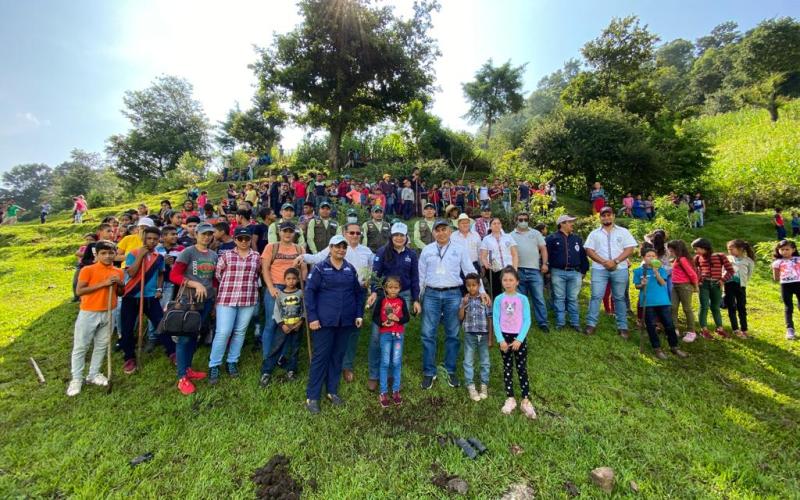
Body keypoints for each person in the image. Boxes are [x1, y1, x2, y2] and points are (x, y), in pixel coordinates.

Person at [418, 220, 489, 390]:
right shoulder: (427, 250)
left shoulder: (459, 249)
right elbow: (421, 276)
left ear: (450, 231)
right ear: (434, 233)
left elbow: (469, 271)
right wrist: (418, 298)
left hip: (452, 294)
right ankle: (429, 372)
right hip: (431, 294)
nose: (441, 233)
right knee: (428, 333)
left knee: (453, 333)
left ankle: (450, 370)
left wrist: (482, 291)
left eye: (444, 229)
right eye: (438, 230)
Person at [304, 235, 365, 414]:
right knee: (321, 357)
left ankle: (331, 391)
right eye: (337, 247)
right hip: (324, 322)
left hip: (345, 321)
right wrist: (313, 318)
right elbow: (309, 294)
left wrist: (359, 314)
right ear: (330, 248)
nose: (341, 250)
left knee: (337, 356)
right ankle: (312, 396)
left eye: (343, 247)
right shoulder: (320, 269)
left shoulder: (349, 269)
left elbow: (359, 293)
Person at [364, 222, 420, 392]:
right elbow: (375, 274)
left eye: (402, 235)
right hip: (383, 296)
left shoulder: (411, 254)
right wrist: (374, 292)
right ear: (391, 236)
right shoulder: (382, 252)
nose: (399, 238)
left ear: (406, 237)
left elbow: (415, 278)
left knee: (395, 335)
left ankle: (390, 374)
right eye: (396, 235)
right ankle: (374, 375)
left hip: (403, 296)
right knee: (377, 336)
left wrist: (416, 299)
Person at [67, 240, 124, 396]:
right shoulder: (88, 270)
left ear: (115, 254)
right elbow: (79, 291)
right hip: (89, 312)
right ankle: (77, 379)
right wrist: (104, 283)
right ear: (97, 255)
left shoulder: (118, 271)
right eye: (103, 253)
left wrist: (119, 284)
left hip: (109, 311)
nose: (107, 256)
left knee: (102, 345)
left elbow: (121, 293)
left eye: (110, 253)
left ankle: (94, 374)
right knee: (81, 346)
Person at [169, 223, 218, 395]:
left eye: (210, 234)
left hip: (206, 300)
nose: (206, 237)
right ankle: (182, 376)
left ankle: (188, 368)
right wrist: (194, 283)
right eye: (203, 234)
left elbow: (213, 280)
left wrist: (215, 300)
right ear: (196, 234)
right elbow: (174, 275)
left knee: (194, 335)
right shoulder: (188, 252)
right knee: (183, 337)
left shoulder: (213, 255)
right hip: (188, 301)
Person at [208, 227, 262, 384]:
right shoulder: (226, 255)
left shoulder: (256, 257)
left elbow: (257, 274)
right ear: (235, 239)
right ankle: (214, 364)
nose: (244, 241)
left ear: (251, 239)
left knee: (240, 331)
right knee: (223, 332)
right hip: (227, 298)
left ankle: (232, 361)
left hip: (248, 298)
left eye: (247, 238)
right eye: (240, 238)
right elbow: (218, 274)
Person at [120, 226, 174, 375]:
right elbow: (131, 272)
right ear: (143, 238)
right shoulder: (133, 253)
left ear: (159, 240)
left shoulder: (159, 257)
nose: (151, 241)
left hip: (150, 297)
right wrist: (140, 256)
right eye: (149, 238)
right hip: (131, 296)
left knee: (161, 324)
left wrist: (159, 289)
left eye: (155, 239)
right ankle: (129, 357)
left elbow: (161, 274)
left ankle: (171, 352)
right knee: (127, 327)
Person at [260, 221, 306, 386]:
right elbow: (265, 268)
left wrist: (303, 284)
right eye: (285, 231)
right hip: (276, 288)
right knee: (272, 324)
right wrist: (271, 287)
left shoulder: (299, 249)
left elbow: (304, 270)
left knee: (289, 325)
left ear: (294, 233)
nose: (287, 234)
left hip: (293, 289)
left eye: (290, 231)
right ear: (280, 232)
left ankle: (282, 357)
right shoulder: (271, 247)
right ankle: (267, 357)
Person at [584, 207, 638, 338]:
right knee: (596, 296)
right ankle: (591, 324)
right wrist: (604, 262)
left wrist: (616, 261)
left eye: (609, 215)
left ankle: (623, 326)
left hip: (620, 269)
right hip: (599, 269)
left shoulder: (623, 232)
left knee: (619, 297)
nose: (606, 218)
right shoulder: (594, 233)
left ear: (613, 216)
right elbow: (589, 250)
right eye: (603, 215)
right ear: (600, 217)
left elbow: (629, 249)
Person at [492, 267, 536, 418]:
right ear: (502, 282)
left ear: (517, 282)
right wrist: (500, 340)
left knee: (521, 367)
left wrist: (519, 339)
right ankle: (510, 397)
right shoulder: (498, 299)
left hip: (519, 338)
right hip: (504, 338)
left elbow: (527, 320)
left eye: (511, 280)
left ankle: (525, 399)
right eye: (505, 280)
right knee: (508, 367)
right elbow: (496, 320)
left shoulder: (522, 299)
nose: (508, 283)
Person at [633, 246, 688, 360]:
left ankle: (674, 347)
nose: (651, 258)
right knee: (651, 326)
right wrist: (642, 284)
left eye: (653, 256)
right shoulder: (638, 271)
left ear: (656, 258)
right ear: (644, 258)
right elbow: (637, 286)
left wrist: (656, 272)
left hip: (662, 301)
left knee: (669, 324)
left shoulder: (661, 269)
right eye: (648, 256)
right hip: (647, 303)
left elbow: (663, 283)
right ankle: (657, 348)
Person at [372, 276, 410, 408]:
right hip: (386, 334)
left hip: (398, 334)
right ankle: (383, 392)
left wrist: (397, 319)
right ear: (385, 288)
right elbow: (375, 316)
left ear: (400, 288)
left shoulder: (401, 300)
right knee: (385, 362)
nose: (393, 290)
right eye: (390, 287)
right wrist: (383, 323)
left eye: (396, 288)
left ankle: (396, 390)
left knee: (396, 362)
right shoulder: (382, 299)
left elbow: (407, 317)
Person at [546, 215, 589, 331]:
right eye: (570, 222)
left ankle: (575, 322)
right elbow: (546, 256)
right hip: (558, 272)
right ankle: (560, 322)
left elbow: (582, 255)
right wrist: (548, 271)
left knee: (573, 298)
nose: (572, 224)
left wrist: (584, 270)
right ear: (562, 224)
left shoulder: (577, 239)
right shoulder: (551, 238)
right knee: (559, 298)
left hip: (575, 272)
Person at [262, 268, 305, 382]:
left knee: (295, 349)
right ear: (284, 280)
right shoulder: (280, 295)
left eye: (294, 279)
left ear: (297, 280)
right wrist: (282, 325)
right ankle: (266, 371)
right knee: (276, 347)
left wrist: (301, 322)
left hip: (297, 326)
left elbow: (304, 309)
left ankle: (291, 371)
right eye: (288, 279)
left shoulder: (301, 293)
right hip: (283, 327)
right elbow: (276, 311)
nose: (291, 281)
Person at [511, 211, 549, 332]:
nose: (523, 222)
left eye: (525, 219)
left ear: (528, 220)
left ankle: (543, 322)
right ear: (516, 220)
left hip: (534, 270)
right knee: (520, 298)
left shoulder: (536, 233)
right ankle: (520, 322)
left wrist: (544, 263)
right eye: (520, 219)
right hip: (518, 270)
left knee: (538, 297)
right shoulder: (510, 235)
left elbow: (543, 249)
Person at [691, 238, 734, 339]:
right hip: (704, 285)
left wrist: (723, 280)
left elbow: (730, 270)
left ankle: (719, 328)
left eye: (697, 249)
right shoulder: (698, 257)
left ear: (704, 248)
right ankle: (704, 330)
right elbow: (693, 269)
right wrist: (699, 279)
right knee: (704, 306)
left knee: (715, 307)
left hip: (716, 284)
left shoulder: (720, 256)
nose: (695, 251)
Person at [459, 273, 491, 402]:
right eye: (468, 286)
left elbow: (490, 319)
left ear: (479, 285)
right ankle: (471, 386)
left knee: (485, 361)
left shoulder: (484, 299)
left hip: (483, 334)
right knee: (468, 361)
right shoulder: (464, 300)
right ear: (466, 286)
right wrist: (464, 305)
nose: (471, 288)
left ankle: (484, 385)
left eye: (474, 285)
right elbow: (460, 317)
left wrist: (490, 338)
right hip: (469, 334)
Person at [667, 239, 699, 343]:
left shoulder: (682, 259)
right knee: (673, 307)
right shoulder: (677, 259)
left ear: (678, 250)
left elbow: (692, 273)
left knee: (687, 308)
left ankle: (691, 331)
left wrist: (695, 286)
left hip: (684, 286)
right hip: (675, 285)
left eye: (671, 251)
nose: (670, 253)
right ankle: (674, 328)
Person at [480, 218, 519, 300]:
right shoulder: (486, 239)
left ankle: (512, 309)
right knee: (496, 292)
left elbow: (514, 254)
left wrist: (515, 268)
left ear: (501, 225)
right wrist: (487, 265)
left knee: (510, 289)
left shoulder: (508, 237)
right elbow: (483, 256)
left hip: (508, 268)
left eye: (498, 223)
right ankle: (498, 309)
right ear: (490, 226)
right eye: (494, 223)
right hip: (494, 270)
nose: (497, 225)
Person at [725, 240, 755, 339]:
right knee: (731, 306)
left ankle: (744, 329)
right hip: (728, 285)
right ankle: (735, 329)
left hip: (741, 286)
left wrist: (743, 281)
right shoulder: (727, 258)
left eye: (731, 249)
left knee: (741, 306)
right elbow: (722, 270)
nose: (730, 251)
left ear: (741, 249)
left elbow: (749, 274)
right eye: (728, 249)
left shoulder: (748, 261)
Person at [772, 240, 800, 340]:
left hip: (799, 284)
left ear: (793, 249)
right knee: (788, 307)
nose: (784, 251)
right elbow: (775, 278)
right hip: (785, 286)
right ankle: (790, 329)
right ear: (778, 250)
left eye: (787, 249)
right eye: (782, 249)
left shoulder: (798, 259)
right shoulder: (777, 262)